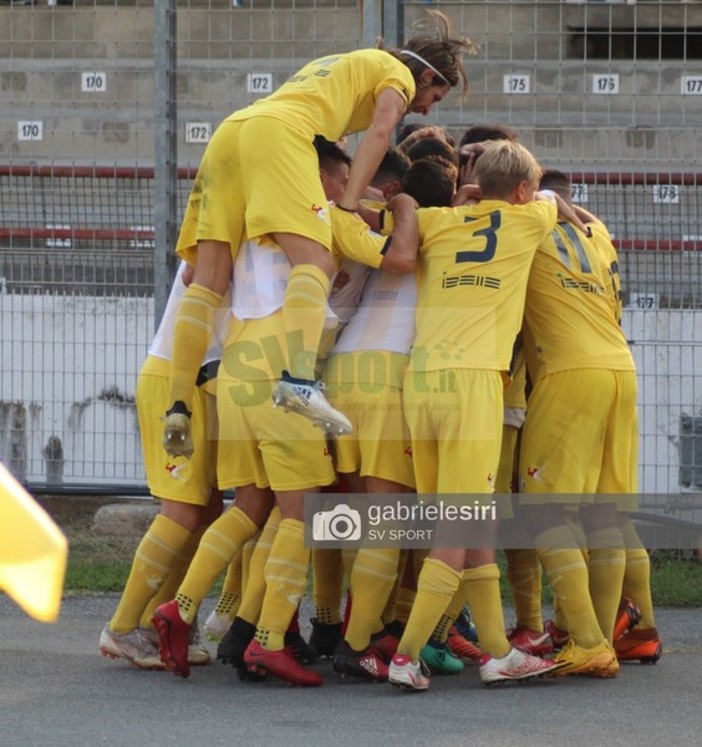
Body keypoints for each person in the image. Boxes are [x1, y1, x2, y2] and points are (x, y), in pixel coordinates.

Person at [152, 138, 420, 685]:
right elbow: (399, 256)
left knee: (252, 507)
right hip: (284, 381)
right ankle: (268, 639)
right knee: (303, 516)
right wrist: (399, 204)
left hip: (235, 376)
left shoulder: (251, 222)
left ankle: (187, 609)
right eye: (341, 180)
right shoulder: (322, 221)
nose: (346, 191)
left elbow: (193, 280)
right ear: (319, 178)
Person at [161, 10, 476, 458]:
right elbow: (381, 132)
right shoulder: (394, 76)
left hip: (233, 132)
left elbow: (329, 164)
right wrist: (348, 207)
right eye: (435, 96)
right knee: (315, 261)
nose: (425, 108)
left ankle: (176, 406)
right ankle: (299, 382)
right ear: (423, 75)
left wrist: (358, 193)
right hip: (280, 135)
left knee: (208, 279)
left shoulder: (344, 65)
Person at [385, 140, 586, 691]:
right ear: (520, 192)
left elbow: (440, 215)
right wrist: (519, 194)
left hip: (421, 381)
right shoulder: (528, 220)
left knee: (467, 527)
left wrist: (467, 197)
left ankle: (498, 652)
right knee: (458, 527)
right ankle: (405, 655)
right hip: (475, 384)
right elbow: (551, 198)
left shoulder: (438, 222)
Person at [99, 262, 228, 669]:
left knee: (207, 511)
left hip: (205, 381)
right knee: (183, 510)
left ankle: (156, 624)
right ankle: (121, 628)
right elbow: (197, 274)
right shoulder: (223, 223)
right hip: (175, 379)